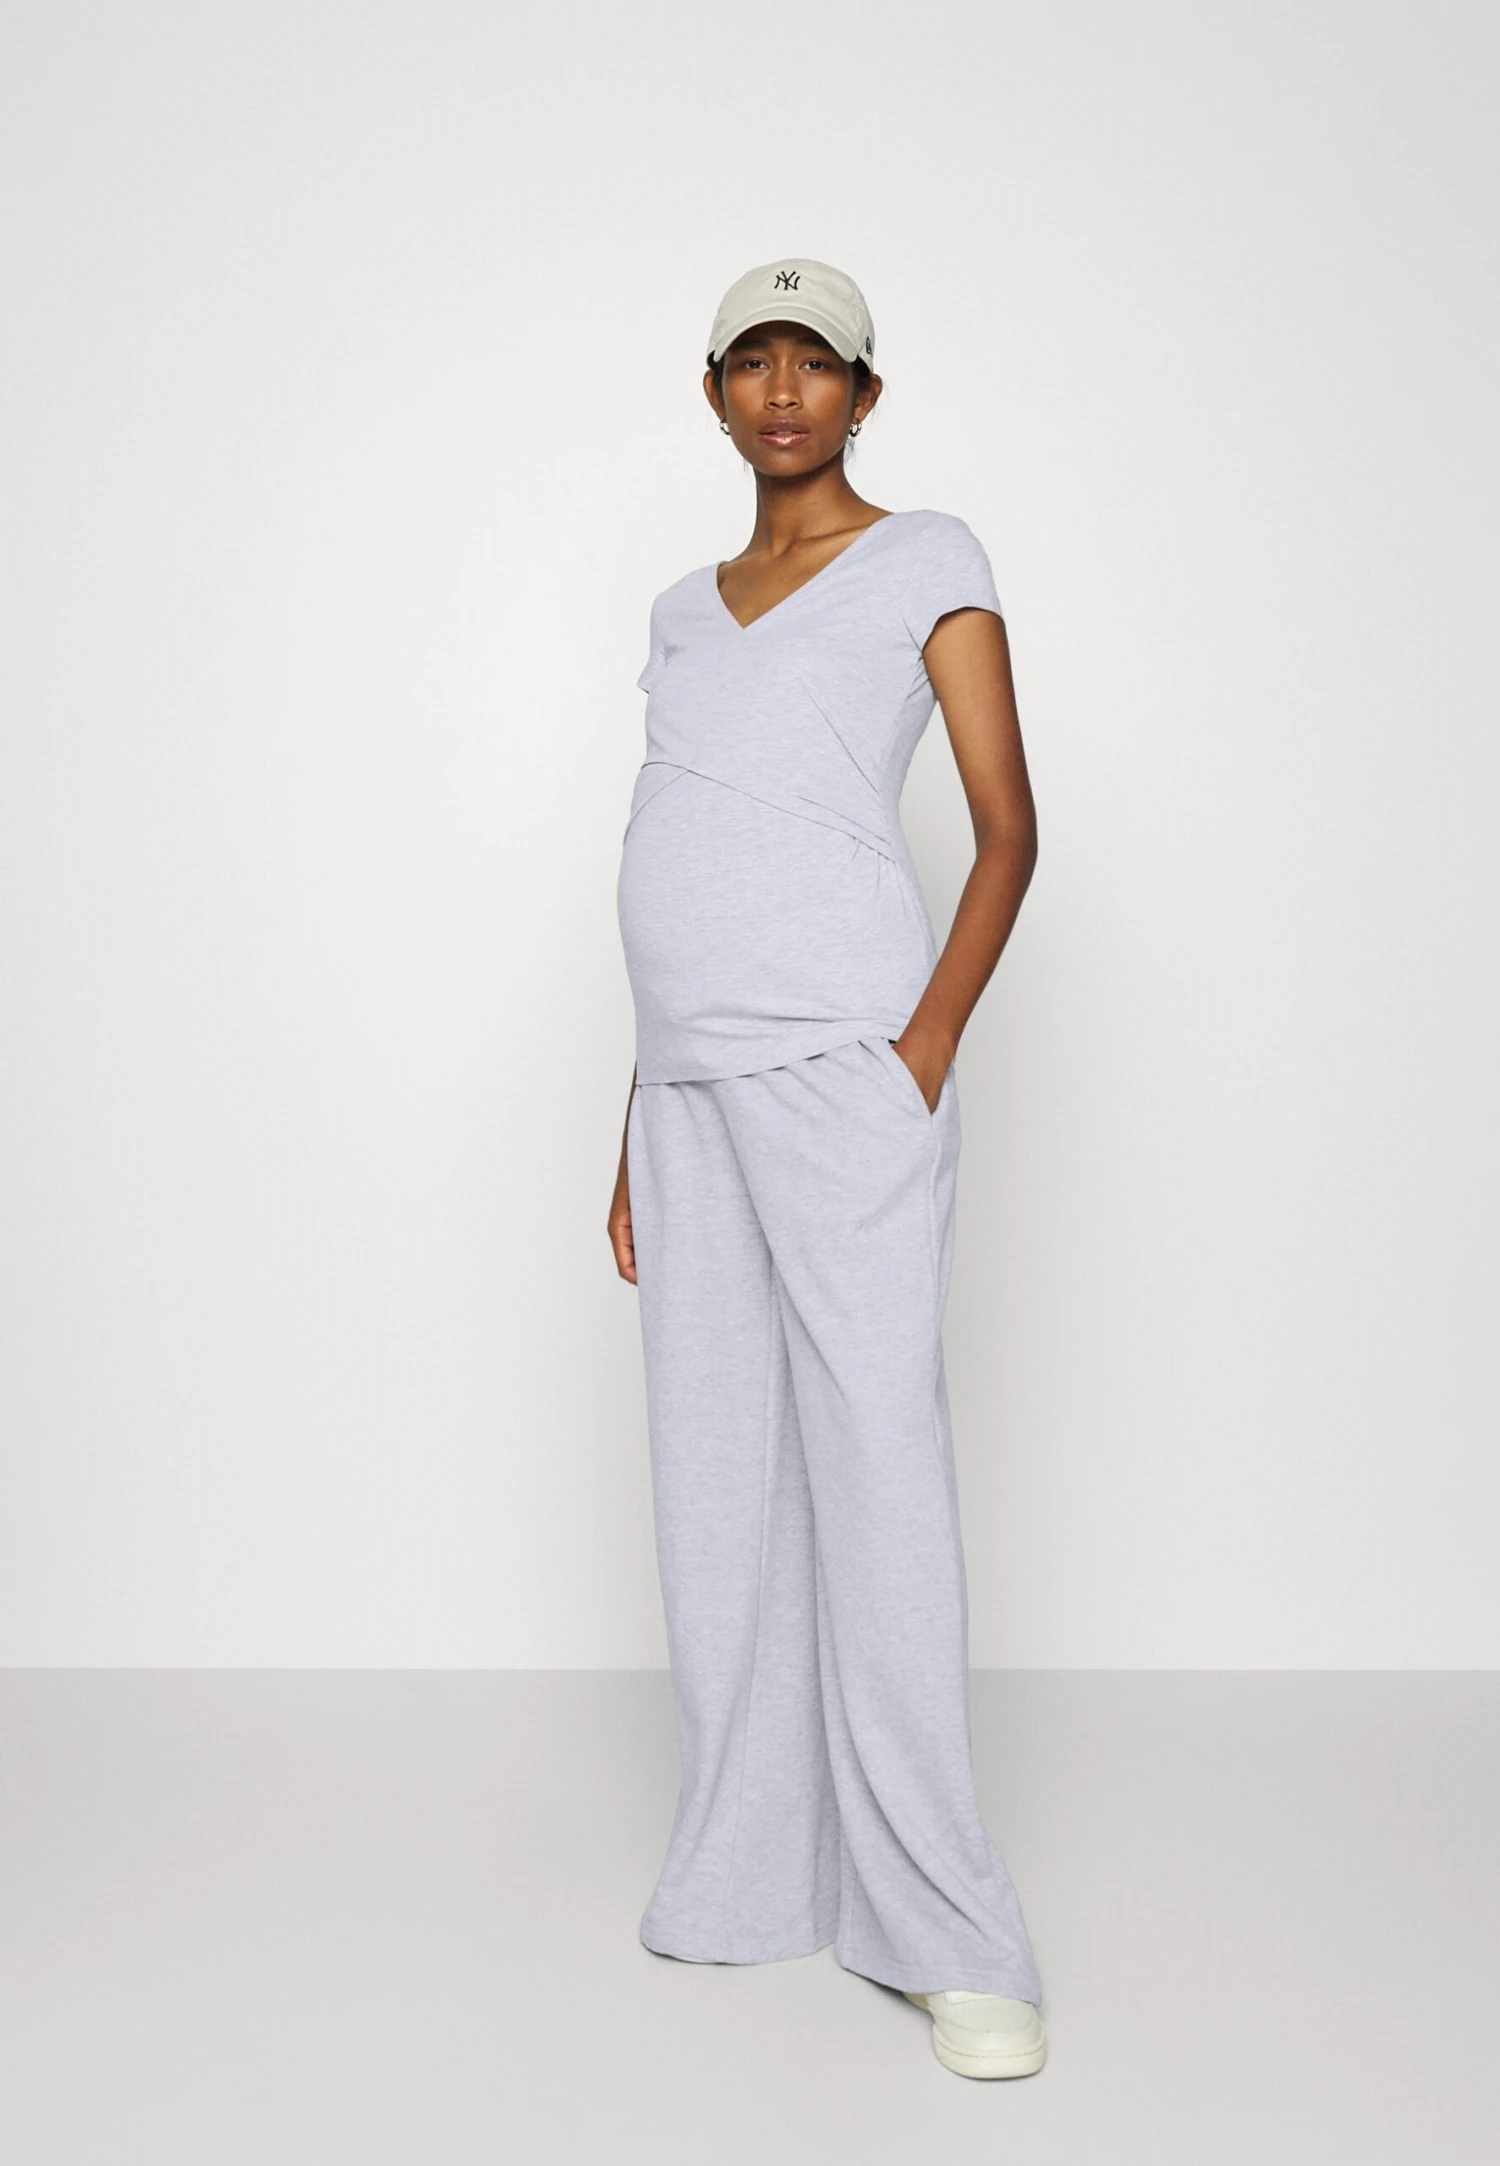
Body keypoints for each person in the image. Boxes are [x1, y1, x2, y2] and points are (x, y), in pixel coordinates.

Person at [607, 258, 1046, 2081]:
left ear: (864, 396)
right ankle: (748, 1866)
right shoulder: (680, 610)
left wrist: (920, 1050)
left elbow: (1008, 827)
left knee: (877, 1471)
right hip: (686, 1086)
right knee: (717, 1477)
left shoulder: (927, 556)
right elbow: (674, 846)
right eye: (753, 361)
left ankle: (949, 1927)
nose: (783, 389)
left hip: (844, 1069)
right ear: (715, 391)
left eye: (818, 363)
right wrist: (632, 1113)